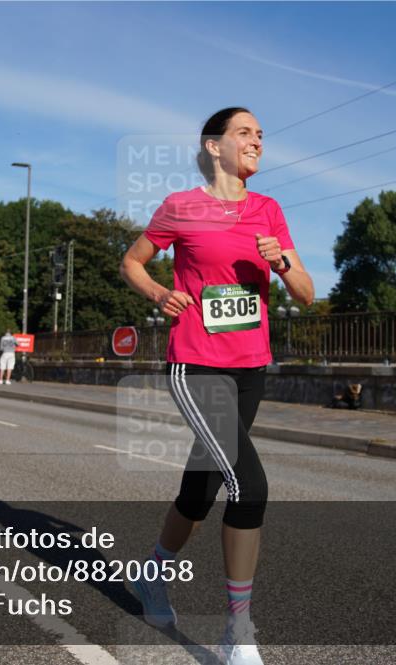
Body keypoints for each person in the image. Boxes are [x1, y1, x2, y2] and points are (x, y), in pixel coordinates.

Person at [120, 108, 314, 665]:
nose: (257, 141)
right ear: (213, 146)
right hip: (197, 362)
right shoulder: (181, 207)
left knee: (200, 487)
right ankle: (238, 630)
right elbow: (132, 262)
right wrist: (159, 294)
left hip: (250, 366)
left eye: (260, 135)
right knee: (248, 488)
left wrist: (281, 265)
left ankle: (151, 576)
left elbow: (307, 293)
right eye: (245, 133)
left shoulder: (268, 210)